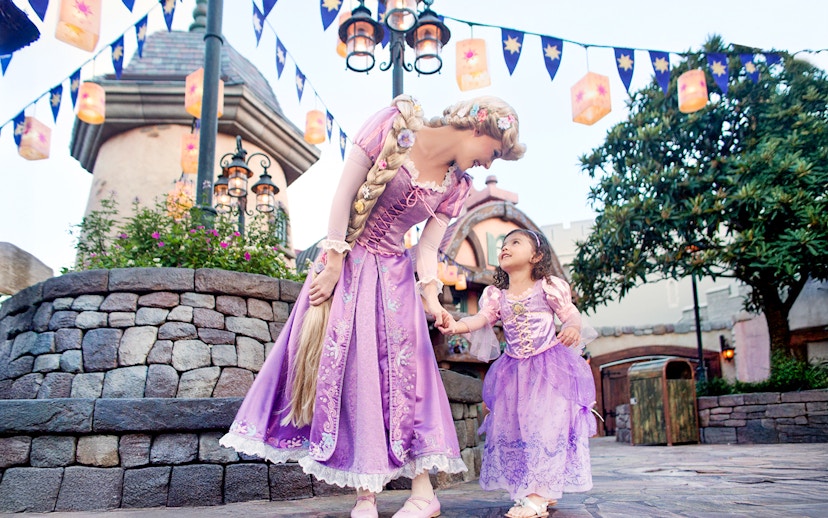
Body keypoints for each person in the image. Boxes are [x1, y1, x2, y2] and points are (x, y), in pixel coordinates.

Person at [220, 94, 526, 518]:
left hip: (395, 278)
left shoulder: (456, 187)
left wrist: (432, 298)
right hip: (346, 265)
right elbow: (344, 194)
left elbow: (427, 251)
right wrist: (331, 262)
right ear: (479, 129)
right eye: (492, 153)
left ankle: (424, 494)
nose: (488, 164)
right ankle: (366, 495)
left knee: (409, 377)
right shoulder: (392, 124)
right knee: (353, 373)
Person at [438, 229, 597, 518]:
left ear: (536, 256)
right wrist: (457, 326)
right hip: (514, 372)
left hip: (548, 370)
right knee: (520, 430)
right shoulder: (497, 295)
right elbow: (481, 318)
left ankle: (536, 496)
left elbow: (570, 313)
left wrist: (572, 327)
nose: (505, 247)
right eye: (503, 243)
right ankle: (537, 489)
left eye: (515, 242)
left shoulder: (548, 287)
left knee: (545, 430)